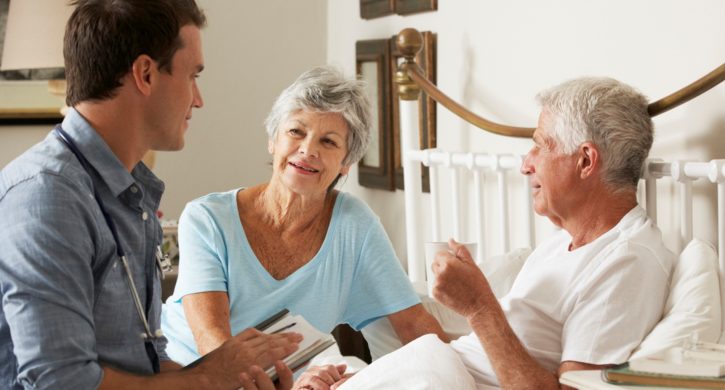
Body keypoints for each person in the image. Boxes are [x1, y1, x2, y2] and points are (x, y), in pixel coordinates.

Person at [0, 1, 300, 389]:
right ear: (145, 74)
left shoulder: (129, 194)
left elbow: (144, 362)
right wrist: (209, 378)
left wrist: (237, 374)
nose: (198, 99)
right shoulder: (47, 197)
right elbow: (63, 383)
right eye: (192, 76)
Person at [316, 77, 676, 390]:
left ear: (585, 161)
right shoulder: (561, 244)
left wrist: (479, 306)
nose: (525, 164)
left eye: (540, 145)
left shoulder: (627, 262)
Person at [160, 66, 447, 367]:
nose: (308, 150)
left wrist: (462, 377)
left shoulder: (355, 226)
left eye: (328, 141)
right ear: (273, 140)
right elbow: (214, 347)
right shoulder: (207, 219)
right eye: (296, 132)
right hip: (194, 378)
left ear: (346, 162)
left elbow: (414, 325)